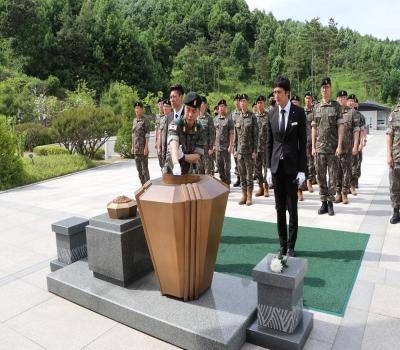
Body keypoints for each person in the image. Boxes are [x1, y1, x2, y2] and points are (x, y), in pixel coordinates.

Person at [266, 76, 306, 257]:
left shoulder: (299, 113)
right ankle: (282, 245)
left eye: (279, 92)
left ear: (287, 93)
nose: (276, 96)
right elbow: (269, 143)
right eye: (274, 92)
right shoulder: (272, 113)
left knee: (292, 208)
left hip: (292, 169)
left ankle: (291, 246)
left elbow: (303, 144)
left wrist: (303, 170)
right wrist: (267, 168)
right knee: (279, 208)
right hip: (276, 168)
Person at [312, 77, 344, 216]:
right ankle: (323, 202)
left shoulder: (336, 106)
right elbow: (314, 127)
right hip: (319, 148)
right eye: (323, 87)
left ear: (330, 89)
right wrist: (313, 146)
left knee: (332, 175)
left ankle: (330, 202)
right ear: (321, 90)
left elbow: (341, 126)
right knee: (320, 176)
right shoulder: (316, 107)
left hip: (332, 148)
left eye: (327, 87)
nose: (325, 89)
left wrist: (340, 145)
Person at [166, 92, 205, 175]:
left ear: (198, 112)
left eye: (194, 111)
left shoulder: (199, 128)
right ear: (184, 108)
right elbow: (173, 144)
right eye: (188, 109)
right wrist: (176, 164)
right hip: (172, 170)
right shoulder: (175, 124)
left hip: (188, 172)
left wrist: (183, 156)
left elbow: (197, 156)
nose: (190, 114)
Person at [334, 90, 360, 204]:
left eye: (344, 98)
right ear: (337, 99)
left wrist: (355, 145)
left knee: (347, 171)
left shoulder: (352, 112)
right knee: (336, 171)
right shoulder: (333, 112)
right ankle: (338, 193)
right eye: (339, 98)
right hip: (335, 148)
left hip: (348, 147)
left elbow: (356, 130)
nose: (341, 100)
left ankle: (345, 193)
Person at [234, 93, 259, 206]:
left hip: (249, 151)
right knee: (242, 174)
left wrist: (255, 150)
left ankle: (249, 195)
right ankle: (243, 194)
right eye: (241, 101)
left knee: (249, 175)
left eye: (244, 101)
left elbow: (256, 135)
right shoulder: (237, 117)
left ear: (247, 103)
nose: (243, 103)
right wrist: (235, 149)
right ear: (239, 103)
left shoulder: (252, 117)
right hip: (239, 151)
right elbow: (235, 135)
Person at [162, 84, 185, 168]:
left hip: (185, 160)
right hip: (170, 161)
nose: (172, 100)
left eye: (174, 97)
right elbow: (165, 140)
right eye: (171, 97)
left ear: (181, 97)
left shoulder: (188, 115)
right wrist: (164, 160)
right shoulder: (169, 117)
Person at [213, 99, 234, 186]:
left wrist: (231, 145)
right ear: (218, 108)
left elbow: (231, 133)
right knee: (219, 166)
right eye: (220, 107)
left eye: (223, 106)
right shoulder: (215, 119)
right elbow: (213, 133)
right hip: (217, 147)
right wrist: (213, 145)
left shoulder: (229, 119)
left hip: (226, 147)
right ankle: (223, 181)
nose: (221, 108)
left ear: (226, 108)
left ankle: (227, 184)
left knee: (227, 167)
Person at [386, 102, 400, 224]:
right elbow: (389, 136)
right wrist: (389, 155)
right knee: (394, 186)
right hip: (396, 158)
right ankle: (396, 212)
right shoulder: (394, 115)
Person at [131, 102, 150, 185]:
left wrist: (146, 148)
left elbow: (147, 135)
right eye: (135, 108)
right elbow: (133, 135)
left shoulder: (145, 120)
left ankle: (149, 187)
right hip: (136, 150)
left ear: (142, 109)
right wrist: (132, 147)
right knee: (139, 171)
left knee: (145, 170)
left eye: (138, 108)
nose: (136, 110)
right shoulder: (134, 121)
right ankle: (143, 187)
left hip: (143, 150)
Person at [254, 95, 269, 197]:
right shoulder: (253, 117)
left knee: (266, 168)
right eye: (258, 103)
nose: (260, 104)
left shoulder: (268, 116)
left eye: (261, 103)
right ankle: (260, 187)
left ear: (264, 103)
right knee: (257, 169)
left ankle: (266, 187)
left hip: (265, 147)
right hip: (256, 148)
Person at [197, 96, 215, 175]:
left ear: (205, 105)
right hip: (197, 148)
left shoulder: (209, 118)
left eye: (202, 103)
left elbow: (212, 133)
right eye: (199, 103)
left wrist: (211, 148)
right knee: (199, 170)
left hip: (206, 149)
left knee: (208, 171)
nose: (201, 105)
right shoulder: (195, 117)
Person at [304, 92, 315, 193]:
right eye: (306, 98)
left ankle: (309, 182)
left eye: (309, 98)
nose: (308, 100)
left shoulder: (314, 112)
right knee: (303, 163)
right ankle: (303, 183)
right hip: (302, 142)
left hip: (312, 142)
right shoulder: (300, 112)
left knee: (311, 164)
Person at [230, 94, 241, 187]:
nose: (237, 102)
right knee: (236, 160)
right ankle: (238, 178)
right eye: (235, 100)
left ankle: (244, 178)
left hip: (243, 141)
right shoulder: (232, 114)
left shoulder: (244, 113)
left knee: (243, 161)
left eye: (238, 100)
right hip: (234, 141)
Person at [157, 99, 172, 171]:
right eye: (164, 106)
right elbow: (160, 133)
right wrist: (159, 147)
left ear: (171, 107)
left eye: (167, 106)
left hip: (171, 149)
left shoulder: (173, 118)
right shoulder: (161, 119)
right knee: (163, 168)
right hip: (163, 149)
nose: (165, 108)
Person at [154, 97, 164, 169]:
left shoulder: (167, 114)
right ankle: (162, 171)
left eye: (162, 103)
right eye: (159, 104)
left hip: (165, 139)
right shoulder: (157, 116)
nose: (160, 105)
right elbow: (156, 129)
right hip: (159, 141)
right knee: (159, 157)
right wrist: (155, 141)